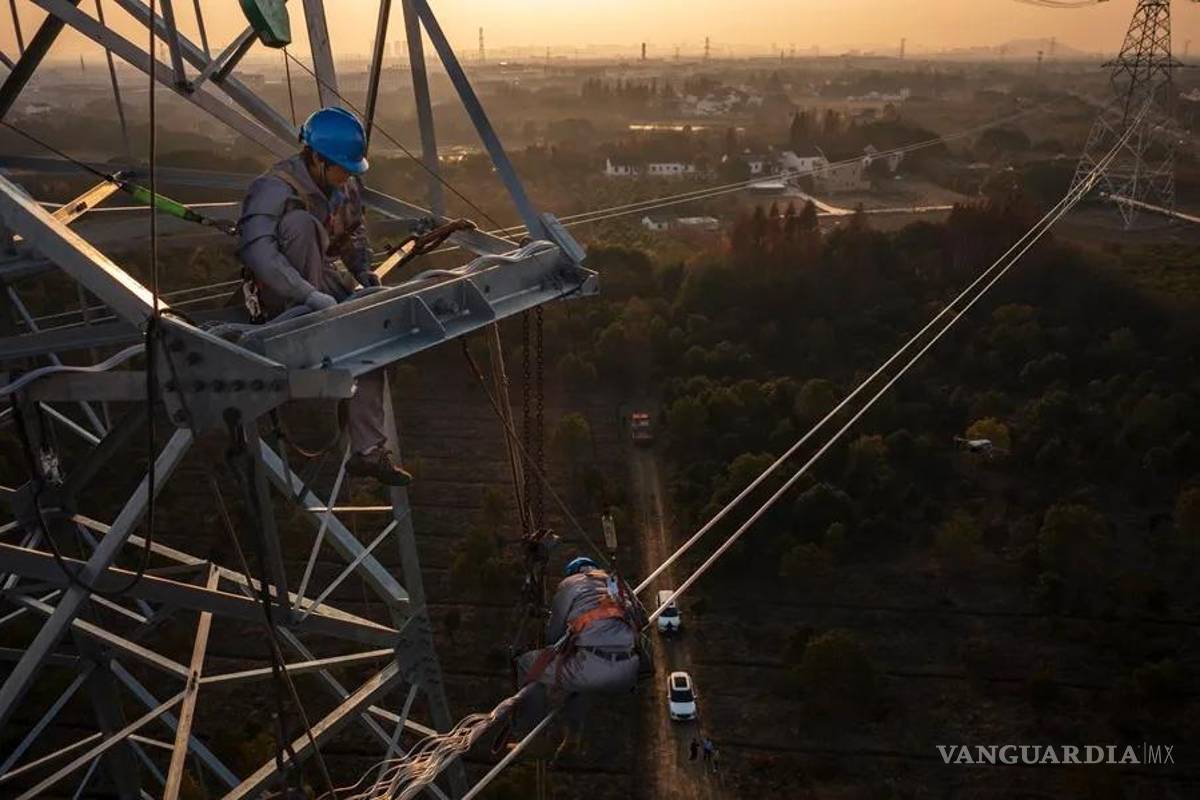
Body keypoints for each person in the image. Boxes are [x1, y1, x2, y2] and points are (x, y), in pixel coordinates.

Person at [237, 106, 410, 486]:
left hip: (326, 284)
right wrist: (308, 296)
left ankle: (368, 451)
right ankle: (313, 332)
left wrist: (366, 278)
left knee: (370, 327)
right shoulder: (274, 189)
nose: (348, 175)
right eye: (342, 168)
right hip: (282, 297)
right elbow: (259, 253)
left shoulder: (344, 183)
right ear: (316, 157)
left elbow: (354, 234)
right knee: (303, 225)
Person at [514, 555, 641, 758]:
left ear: (574, 573)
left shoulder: (570, 585)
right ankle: (572, 737)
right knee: (576, 676)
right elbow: (641, 619)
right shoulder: (616, 583)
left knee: (528, 664)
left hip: (594, 668)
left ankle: (532, 738)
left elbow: (554, 635)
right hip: (630, 671)